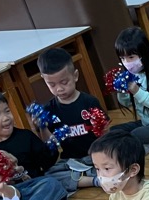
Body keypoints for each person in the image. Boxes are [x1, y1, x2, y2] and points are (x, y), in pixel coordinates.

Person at [35, 47, 106, 191]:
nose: (59, 89)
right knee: (49, 175)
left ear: (75, 76)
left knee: (115, 160)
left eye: (64, 82)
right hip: (70, 160)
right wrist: (42, 126)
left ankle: (88, 176)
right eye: (52, 85)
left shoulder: (89, 102)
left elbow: (105, 133)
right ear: (44, 80)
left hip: (95, 155)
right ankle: (95, 180)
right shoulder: (49, 109)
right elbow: (51, 144)